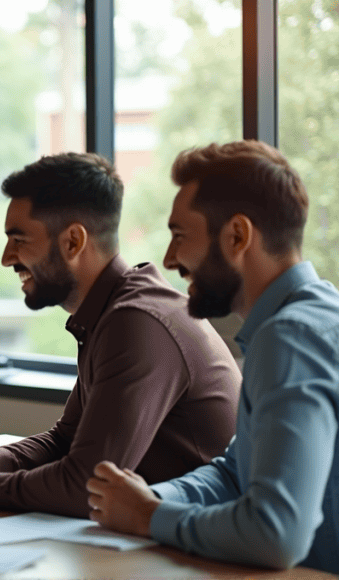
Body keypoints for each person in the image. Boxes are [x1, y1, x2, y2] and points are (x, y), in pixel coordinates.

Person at [0, 152, 241, 518]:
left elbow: (85, 483)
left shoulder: (138, 323)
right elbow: (64, 441)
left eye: (19, 240)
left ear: (72, 242)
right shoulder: (112, 313)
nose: (7, 258)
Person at [87, 141, 339, 574]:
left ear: (237, 236)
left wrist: (149, 518)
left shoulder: (290, 339)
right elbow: (234, 473)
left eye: (180, 235)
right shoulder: (306, 320)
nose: (168, 258)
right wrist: (149, 500)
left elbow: (277, 533)